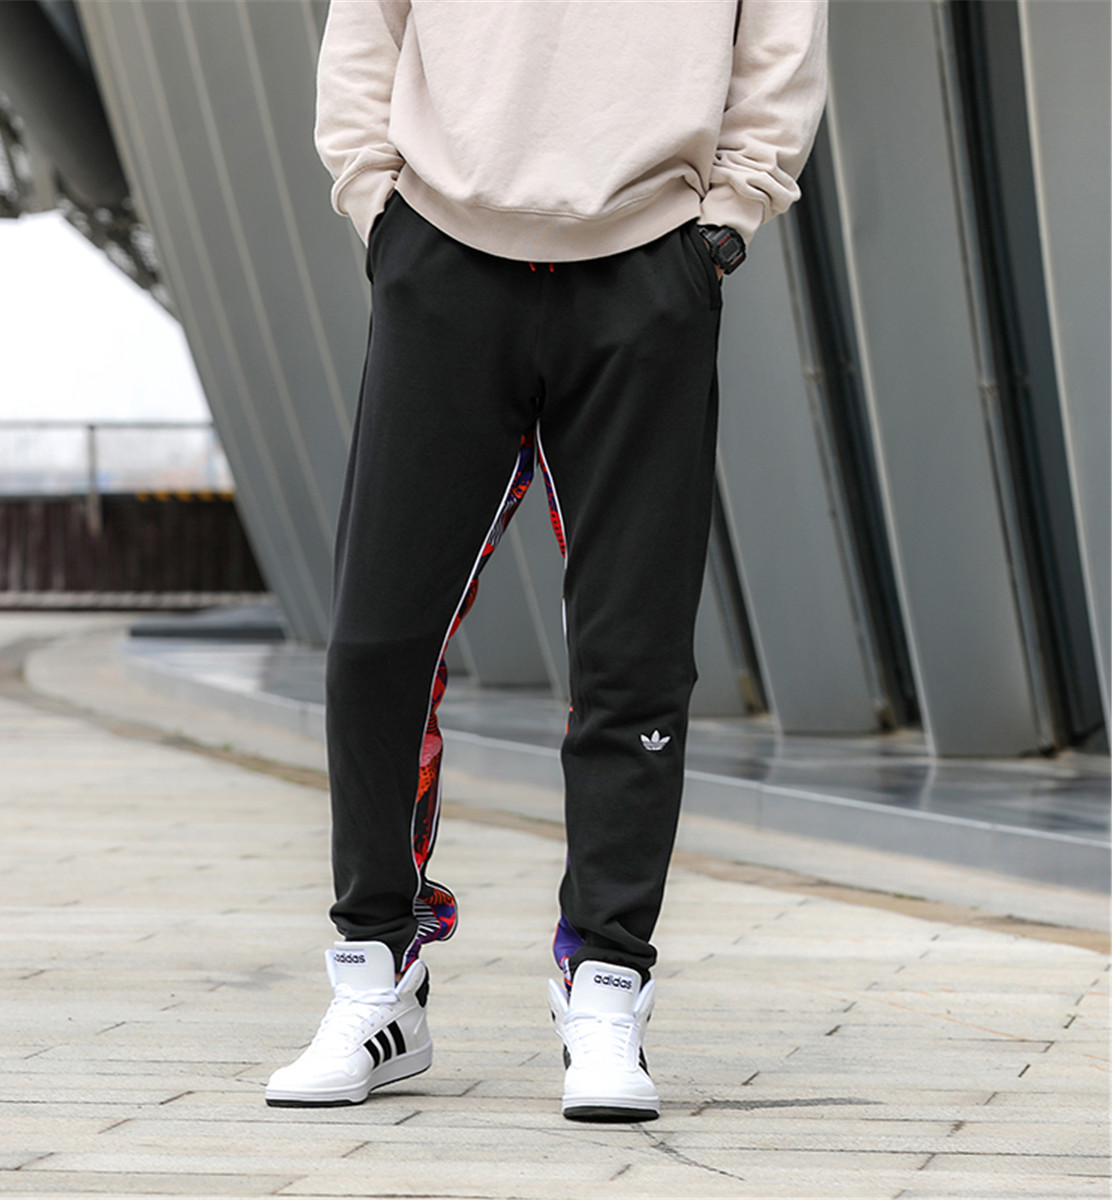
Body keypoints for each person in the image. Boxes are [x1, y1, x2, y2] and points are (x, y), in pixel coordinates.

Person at [267, 0, 828, 1121]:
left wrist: (729, 216)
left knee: (633, 654)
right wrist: (377, 204)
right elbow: (368, 26)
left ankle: (606, 983)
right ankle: (377, 979)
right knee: (378, 645)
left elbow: (780, 33)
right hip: (441, 252)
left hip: (649, 261)